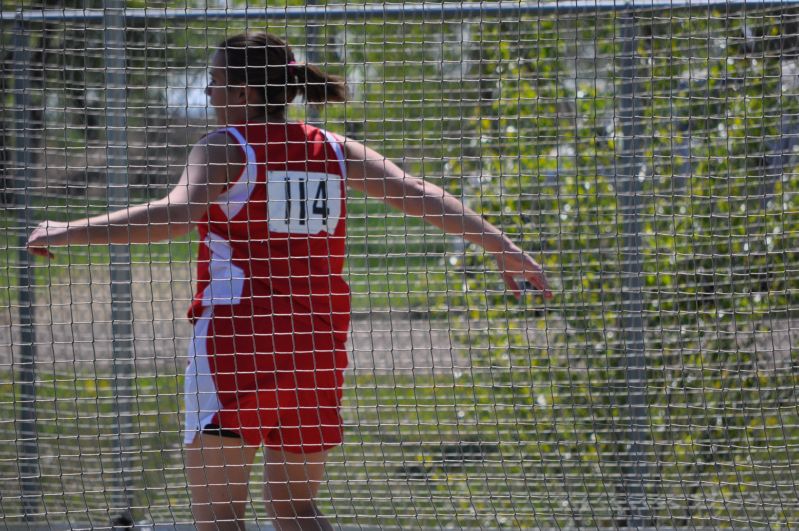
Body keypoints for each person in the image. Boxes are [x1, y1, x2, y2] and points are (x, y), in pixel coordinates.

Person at [27, 32, 552, 531]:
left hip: (240, 348)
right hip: (315, 354)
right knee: (298, 512)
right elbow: (417, 191)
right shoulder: (332, 148)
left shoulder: (224, 146)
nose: (207, 93)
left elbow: (177, 214)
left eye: (214, 82)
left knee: (221, 521)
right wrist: (502, 248)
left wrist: (67, 229)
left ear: (243, 91)